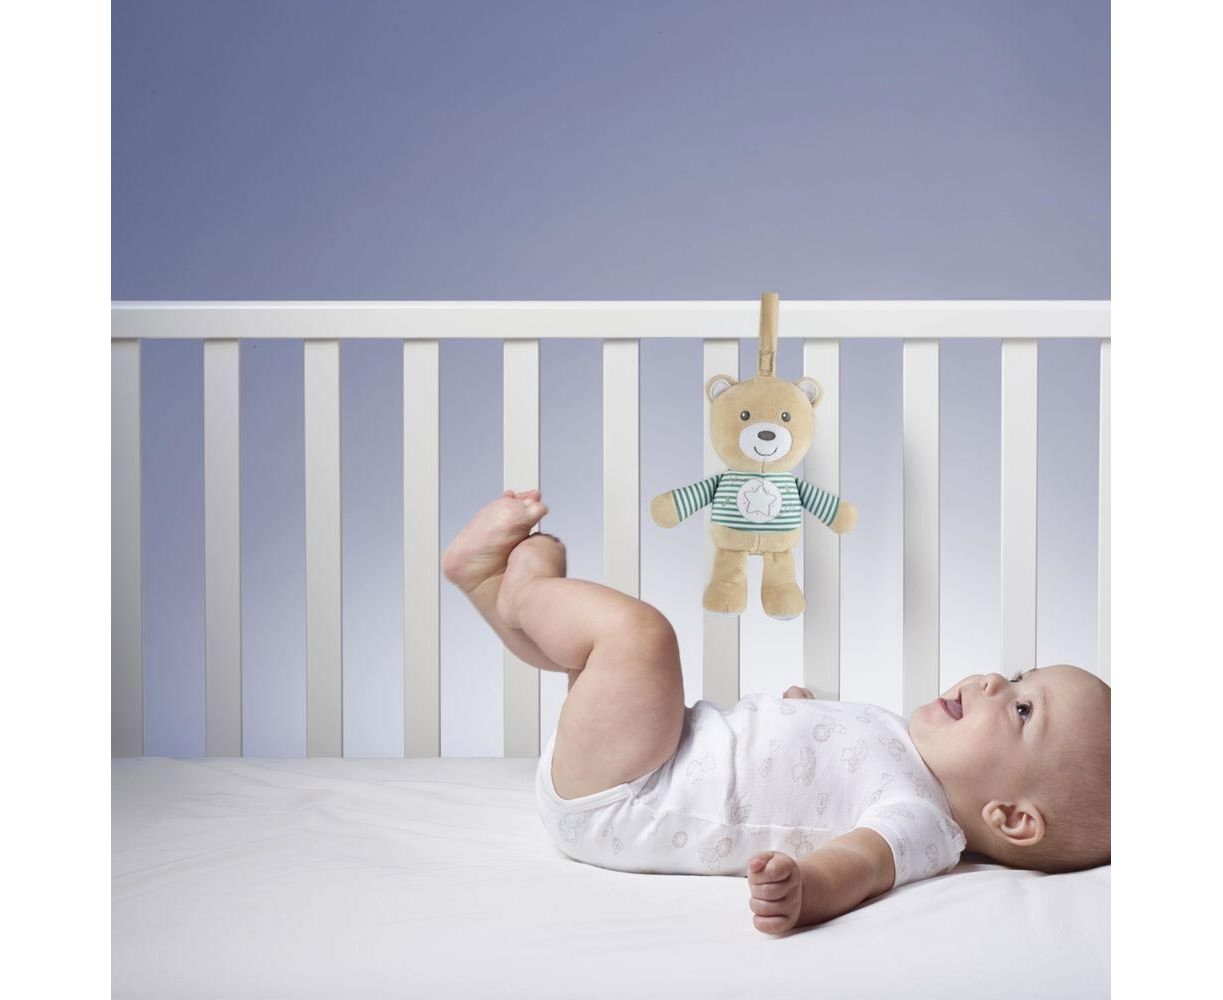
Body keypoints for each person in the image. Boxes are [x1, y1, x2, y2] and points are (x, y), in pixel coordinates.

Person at [443, 490, 1111, 934]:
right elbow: (822, 767)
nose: (993, 680)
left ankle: (522, 590)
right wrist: (801, 717)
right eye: (1016, 678)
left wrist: (805, 889)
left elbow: (860, 865)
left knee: (636, 639)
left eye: (1023, 709)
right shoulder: (907, 750)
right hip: (652, 756)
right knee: (593, 658)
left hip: (638, 793)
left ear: (1012, 818)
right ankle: (485, 582)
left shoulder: (924, 823)